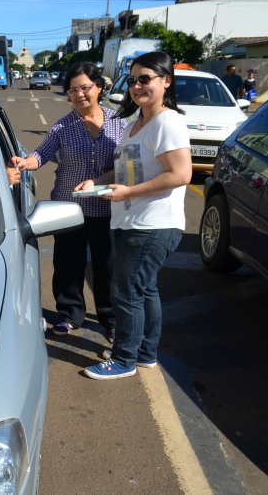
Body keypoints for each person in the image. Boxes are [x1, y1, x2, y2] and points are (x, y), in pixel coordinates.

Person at [77, 51, 191, 380]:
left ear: (166, 81)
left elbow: (181, 174)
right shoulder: (134, 124)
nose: (138, 86)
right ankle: (144, 353)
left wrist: (128, 193)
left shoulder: (167, 122)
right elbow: (126, 170)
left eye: (146, 79)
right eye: (133, 80)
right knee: (144, 289)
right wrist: (97, 183)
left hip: (154, 223)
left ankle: (124, 359)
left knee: (125, 291)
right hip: (131, 220)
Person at [14, 62, 127, 340]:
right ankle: (69, 315)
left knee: (107, 267)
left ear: (99, 87)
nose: (79, 94)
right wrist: (24, 162)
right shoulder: (63, 126)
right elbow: (40, 154)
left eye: (85, 88)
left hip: (107, 207)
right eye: (73, 90)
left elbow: (129, 163)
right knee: (67, 264)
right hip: (69, 209)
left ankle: (110, 319)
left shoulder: (120, 123)